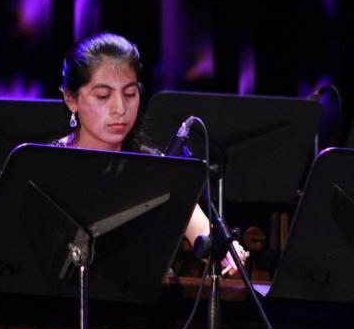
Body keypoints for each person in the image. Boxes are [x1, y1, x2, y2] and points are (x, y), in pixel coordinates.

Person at [57, 32, 248, 272]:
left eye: (129, 94)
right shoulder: (48, 163)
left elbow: (202, 234)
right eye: (103, 96)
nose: (120, 108)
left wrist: (226, 253)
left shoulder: (156, 165)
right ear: (71, 99)